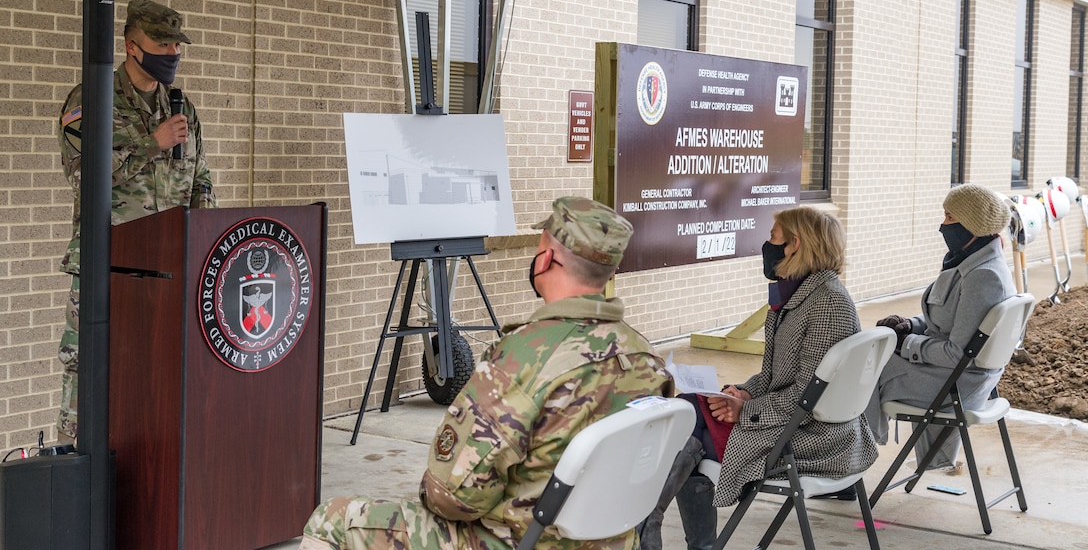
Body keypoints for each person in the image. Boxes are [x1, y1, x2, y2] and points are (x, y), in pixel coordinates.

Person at [301, 196, 673, 550]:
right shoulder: (647, 357)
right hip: (614, 542)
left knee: (332, 520)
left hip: (515, 540)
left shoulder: (524, 358)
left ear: (547, 257)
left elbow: (452, 497)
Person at [641, 206, 876, 550]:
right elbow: (774, 373)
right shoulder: (798, 294)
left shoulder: (826, 304)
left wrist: (744, 411)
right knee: (690, 410)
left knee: (688, 422)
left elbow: (810, 396)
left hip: (814, 437)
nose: (767, 245)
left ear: (794, 244)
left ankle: (653, 524)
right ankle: (661, 527)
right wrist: (745, 393)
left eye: (772, 237)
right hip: (796, 421)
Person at [56, 0, 216, 443]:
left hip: (167, 271)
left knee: (157, 372)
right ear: (131, 45)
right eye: (161, 43)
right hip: (106, 266)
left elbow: (201, 180)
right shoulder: (90, 99)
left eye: (176, 44)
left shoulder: (181, 106)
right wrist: (152, 143)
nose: (172, 53)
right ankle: (76, 464)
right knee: (88, 366)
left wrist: (202, 244)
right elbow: (84, 177)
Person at [864, 183, 1014, 470]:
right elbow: (948, 325)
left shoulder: (983, 277)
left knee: (861, 367)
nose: (942, 226)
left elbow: (957, 352)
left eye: (949, 217)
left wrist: (905, 343)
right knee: (869, 356)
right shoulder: (972, 262)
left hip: (956, 384)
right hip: (954, 377)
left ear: (972, 224)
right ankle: (851, 454)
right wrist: (910, 325)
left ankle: (852, 460)